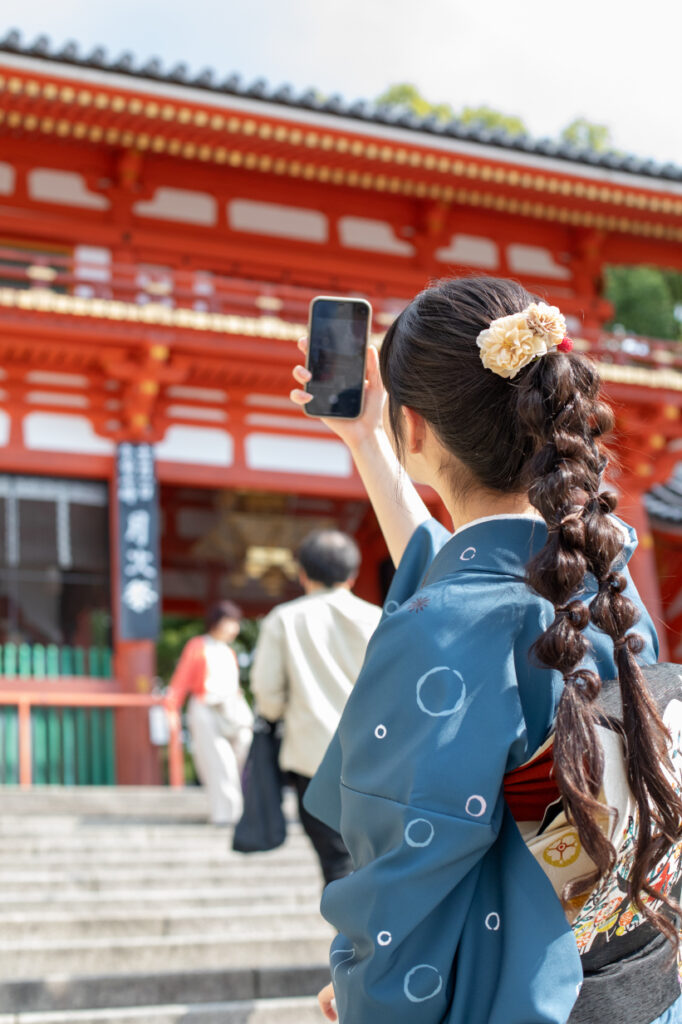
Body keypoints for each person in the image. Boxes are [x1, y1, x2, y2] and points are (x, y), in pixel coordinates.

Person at [289, 277, 682, 1024]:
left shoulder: (444, 629)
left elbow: (400, 900)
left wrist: (370, 999)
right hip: (641, 983)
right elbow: (467, 573)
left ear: (418, 429)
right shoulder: (606, 576)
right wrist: (371, 444)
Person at [250, 529, 381, 885]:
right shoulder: (379, 618)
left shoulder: (285, 618)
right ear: (353, 574)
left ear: (303, 574)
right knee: (375, 858)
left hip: (312, 760)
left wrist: (278, 712)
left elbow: (268, 695)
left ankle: (349, 938)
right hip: (375, 759)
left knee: (336, 863)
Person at [165, 601, 253, 825]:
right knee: (219, 762)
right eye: (231, 622)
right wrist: (171, 706)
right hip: (206, 708)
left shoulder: (230, 652)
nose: (235, 628)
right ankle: (226, 815)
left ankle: (240, 811)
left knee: (240, 758)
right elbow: (182, 679)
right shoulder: (198, 645)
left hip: (231, 711)